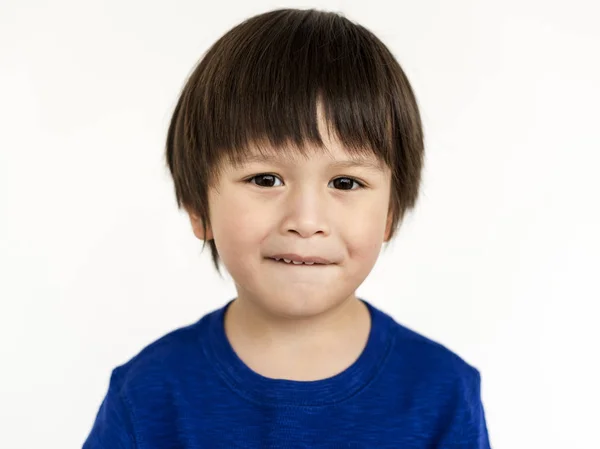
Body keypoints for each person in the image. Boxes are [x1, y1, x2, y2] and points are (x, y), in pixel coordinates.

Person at [83, 7, 491, 448]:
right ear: (199, 208)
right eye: (265, 179)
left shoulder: (441, 391)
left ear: (389, 214)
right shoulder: (148, 392)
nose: (306, 221)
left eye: (346, 182)